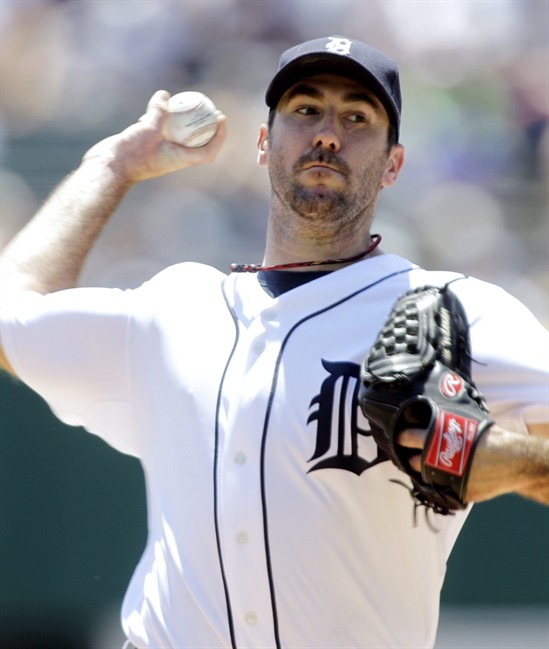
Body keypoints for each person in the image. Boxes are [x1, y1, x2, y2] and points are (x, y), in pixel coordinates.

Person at [1, 35, 547, 649]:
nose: (328, 134)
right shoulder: (173, 309)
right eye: (305, 109)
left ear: (394, 163)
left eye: (357, 117)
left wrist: (513, 461)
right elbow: (10, 320)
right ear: (265, 144)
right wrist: (113, 165)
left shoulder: (452, 309)